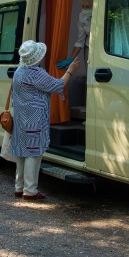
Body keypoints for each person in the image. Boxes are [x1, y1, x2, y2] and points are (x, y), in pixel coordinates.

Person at [11, 40, 81, 200]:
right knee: (33, 154)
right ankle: (30, 190)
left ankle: (19, 187)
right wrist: (70, 71)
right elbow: (58, 85)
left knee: (22, 152)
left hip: (21, 118)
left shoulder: (19, 71)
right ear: (36, 58)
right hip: (34, 118)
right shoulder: (36, 73)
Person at [57, 0, 93, 69]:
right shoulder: (82, 15)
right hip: (89, 48)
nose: (84, 9)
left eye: (87, 7)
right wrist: (71, 59)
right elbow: (80, 40)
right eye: (82, 6)